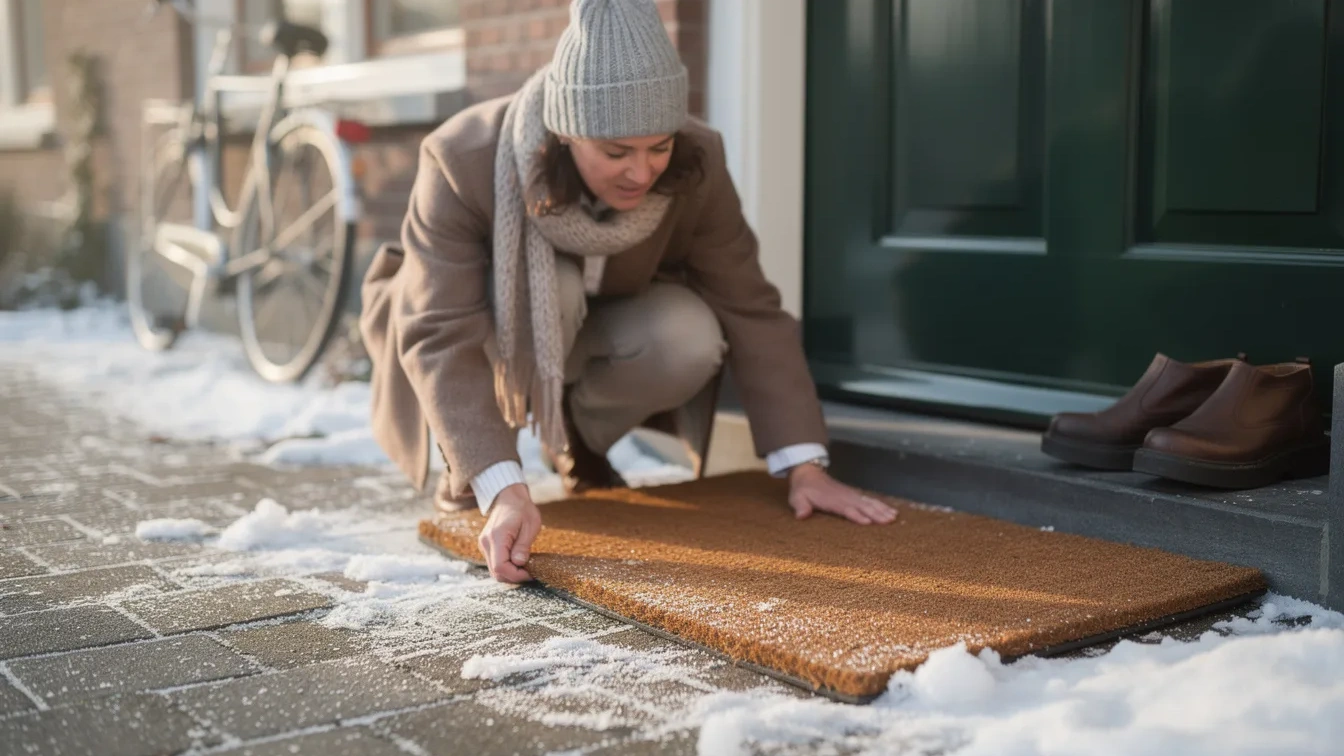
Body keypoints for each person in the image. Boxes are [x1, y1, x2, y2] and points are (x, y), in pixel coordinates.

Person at [359, 0, 897, 584]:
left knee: (691, 333)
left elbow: (751, 305)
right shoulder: (461, 158)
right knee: (551, 289)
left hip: (599, 326)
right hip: (473, 329)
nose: (642, 173)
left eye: (658, 146)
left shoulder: (698, 158)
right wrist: (499, 484)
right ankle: (470, 462)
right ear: (566, 133)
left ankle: (578, 444)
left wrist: (805, 464)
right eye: (616, 152)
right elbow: (438, 328)